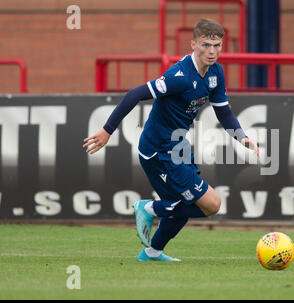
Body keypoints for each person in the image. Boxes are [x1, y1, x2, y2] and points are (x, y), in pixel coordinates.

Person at [83, 18, 259, 262]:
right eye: (206, 45)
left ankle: (152, 252)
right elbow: (135, 94)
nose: (212, 51)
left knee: (183, 206)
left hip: (177, 147)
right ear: (193, 44)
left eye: (217, 45)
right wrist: (107, 130)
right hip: (158, 151)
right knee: (211, 204)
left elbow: (224, 111)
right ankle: (148, 208)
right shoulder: (180, 77)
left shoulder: (216, 73)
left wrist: (242, 138)